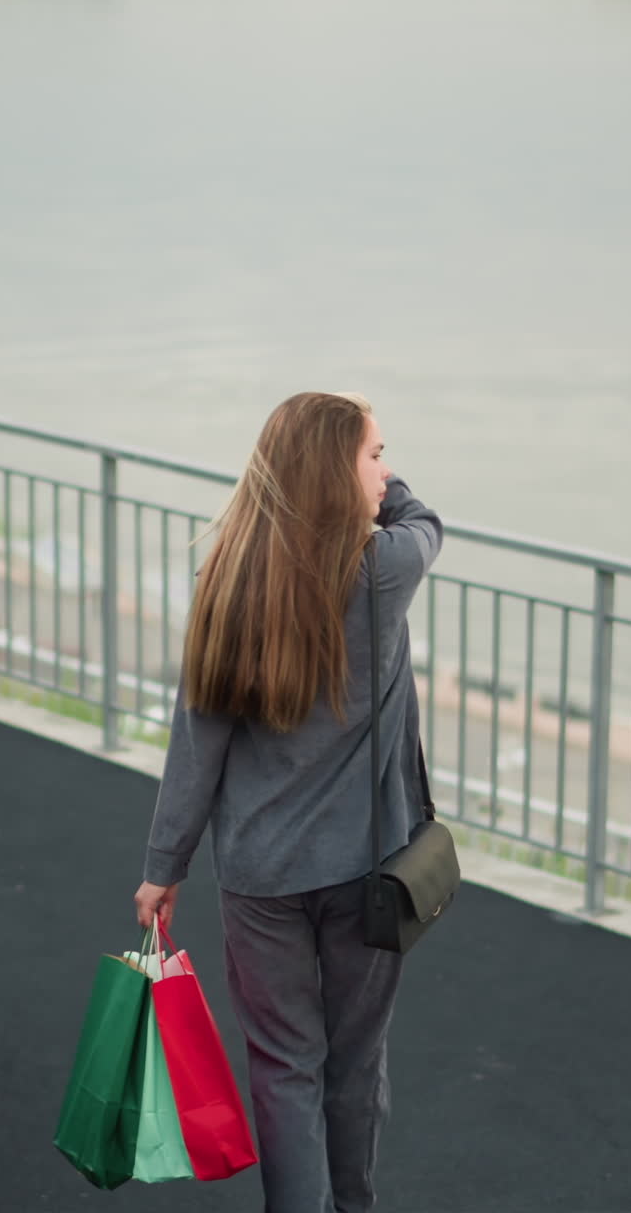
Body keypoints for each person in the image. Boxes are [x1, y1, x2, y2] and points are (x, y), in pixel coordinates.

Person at [134, 390, 443, 1213]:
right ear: (335, 472)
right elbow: (426, 522)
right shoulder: (386, 569)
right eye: (373, 454)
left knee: (282, 1065)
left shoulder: (228, 575)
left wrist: (164, 866)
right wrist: (387, 488)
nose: (385, 470)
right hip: (370, 872)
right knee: (355, 1062)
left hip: (260, 875)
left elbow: (198, 740)